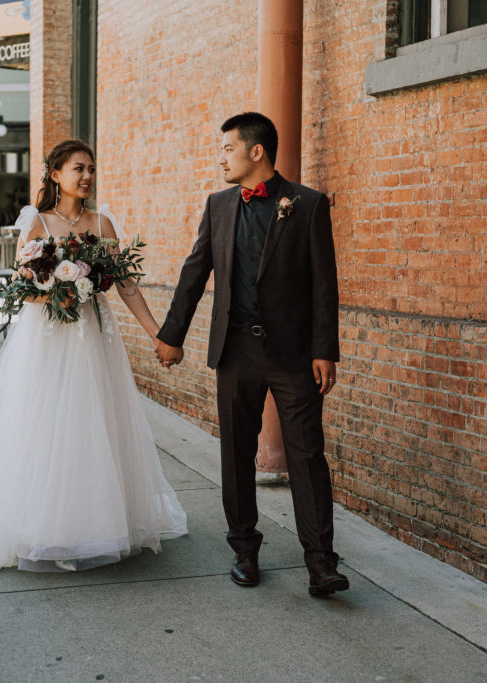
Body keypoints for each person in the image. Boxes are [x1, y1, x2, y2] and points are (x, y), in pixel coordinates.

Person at [0, 139, 188, 571]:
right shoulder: (38, 224)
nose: (86, 177)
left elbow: (125, 285)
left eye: (90, 169)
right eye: (77, 169)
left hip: (94, 338)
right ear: (55, 175)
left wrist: (159, 334)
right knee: (45, 424)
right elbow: (20, 286)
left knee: (94, 422)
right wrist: (52, 293)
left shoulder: (103, 225)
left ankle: (94, 519)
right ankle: (46, 523)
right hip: (48, 338)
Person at [155, 113, 345, 596]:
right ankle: (244, 548)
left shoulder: (306, 204)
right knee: (237, 452)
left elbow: (324, 283)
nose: (220, 156)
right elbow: (194, 271)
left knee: (307, 455)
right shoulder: (218, 206)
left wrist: (325, 349)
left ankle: (321, 562)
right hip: (235, 349)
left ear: (255, 151)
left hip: (293, 354)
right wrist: (172, 334)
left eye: (227, 148)